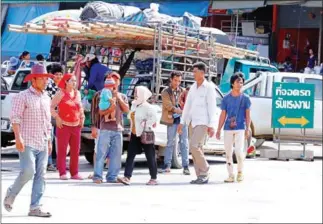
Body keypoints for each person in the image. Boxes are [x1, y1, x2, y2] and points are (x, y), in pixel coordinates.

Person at [3, 64, 53, 217]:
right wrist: (18, 138)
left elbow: (47, 121)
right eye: (43, 78)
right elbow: (15, 118)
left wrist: (49, 141)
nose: (46, 81)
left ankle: (35, 207)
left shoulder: (46, 97)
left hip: (43, 141)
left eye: (46, 78)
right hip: (27, 141)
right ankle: (11, 193)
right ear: (34, 80)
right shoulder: (22, 96)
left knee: (42, 175)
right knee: (28, 171)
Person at [177, 62, 217, 184]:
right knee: (195, 148)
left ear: (202, 73)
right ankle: (200, 175)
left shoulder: (209, 87)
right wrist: (182, 122)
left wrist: (211, 125)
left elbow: (212, 107)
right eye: (193, 71)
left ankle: (205, 169)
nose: (193, 74)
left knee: (194, 145)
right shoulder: (193, 87)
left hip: (203, 122)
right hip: (192, 122)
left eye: (195, 71)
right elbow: (188, 106)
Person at [92, 72, 129, 184]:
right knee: (101, 153)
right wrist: (94, 126)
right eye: (112, 79)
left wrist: (118, 97)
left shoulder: (122, 96)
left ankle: (112, 176)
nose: (114, 82)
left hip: (118, 129)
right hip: (105, 128)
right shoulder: (101, 94)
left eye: (116, 79)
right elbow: (99, 112)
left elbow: (126, 110)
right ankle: (97, 176)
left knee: (116, 155)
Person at [216, 72, 251, 183]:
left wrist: (248, 128)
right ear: (232, 83)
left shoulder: (246, 98)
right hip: (228, 128)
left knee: (239, 151)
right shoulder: (226, 98)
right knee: (228, 152)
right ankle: (230, 174)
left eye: (241, 82)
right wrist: (218, 129)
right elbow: (223, 114)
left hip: (240, 127)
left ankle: (240, 172)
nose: (239, 84)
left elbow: (248, 115)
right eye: (237, 82)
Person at [119, 86, 158, 185]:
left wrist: (145, 123)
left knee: (150, 156)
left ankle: (153, 178)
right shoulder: (134, 105)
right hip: (134, 134)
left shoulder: (148, 107)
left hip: (145, 134)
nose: (135, 95)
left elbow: (154, 119)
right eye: (135, 92)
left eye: (137, 92)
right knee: (130, 155)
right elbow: (131, 118)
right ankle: (127, 177)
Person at [51, 74, 85, 180]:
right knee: (62, 150)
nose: (74, 83)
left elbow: (80, 107)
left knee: (76, 150)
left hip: (76, 125)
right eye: (72, 81)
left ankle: (74, 172)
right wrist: (57, 117)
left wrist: (82, 117)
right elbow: (51, 107)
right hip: (63, 125)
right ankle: (62, 172)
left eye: (75, 81)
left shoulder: (77, 93)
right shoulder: (60, 93)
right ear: (66, 82)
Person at [159, 72, 190, 175]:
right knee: (170, 143)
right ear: (171, 80)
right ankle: (167, 165)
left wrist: (183, 111)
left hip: (182, 120)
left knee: (184, 143)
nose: (177, 83)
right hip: (171, 120)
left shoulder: (183, 91)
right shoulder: (165, 92)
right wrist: (179, 111)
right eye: (176, 80)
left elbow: (188, 103)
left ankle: (186, 166)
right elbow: (168, 106)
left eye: (179, 81)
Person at [45, 63, 64, 172]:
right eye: (56, 74)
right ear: (52, 75)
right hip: (49, 115)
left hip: (61, 116)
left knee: (60, 141)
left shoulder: (63, 86)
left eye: (60, 74)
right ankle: (49, 163)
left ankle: (59, 163)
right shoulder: (49, 85)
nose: (59, 76)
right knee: (50, 139)